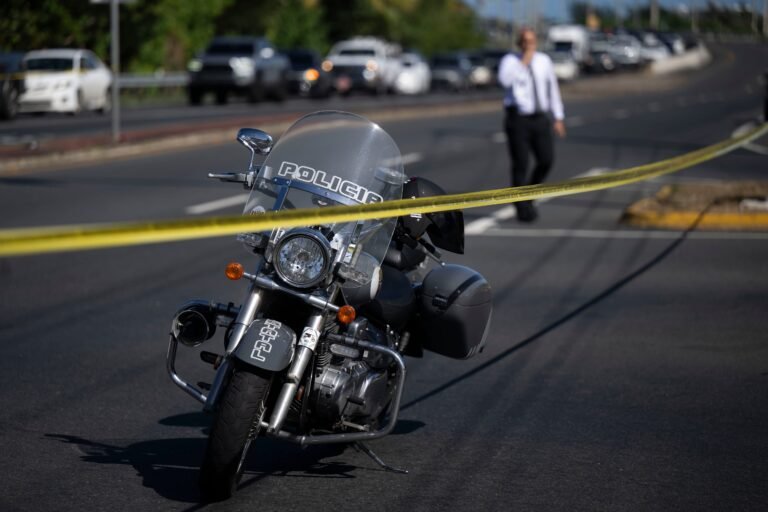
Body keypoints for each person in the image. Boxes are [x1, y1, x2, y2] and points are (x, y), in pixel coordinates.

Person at [498, 28, 566, 222]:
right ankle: (521, 207)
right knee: (521, 163)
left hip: (540, 118)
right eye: (525, 42)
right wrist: (523, 62)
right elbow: (504, 81)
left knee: (546, 159)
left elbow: (552, 88)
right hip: (518, 119)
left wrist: (558, 117)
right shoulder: (510, 61)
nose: (529, 45)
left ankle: (529, 195)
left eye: (532, 41)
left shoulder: (544, 61)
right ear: (520, 43)